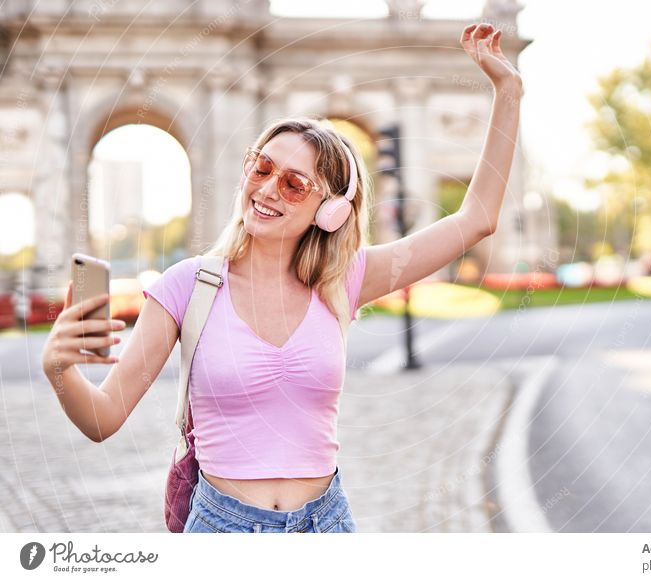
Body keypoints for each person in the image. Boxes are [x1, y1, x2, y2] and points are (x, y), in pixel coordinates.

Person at [40, 22, 524, 533]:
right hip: (221, 531)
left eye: (294, 184)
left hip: (327, 526)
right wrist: (60, 369)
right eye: (261, 167)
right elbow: (102, 418)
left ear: (331, 210)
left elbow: (476, 219)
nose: (268, 189)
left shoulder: (345, 279)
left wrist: (507, 90)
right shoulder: (187, 285)